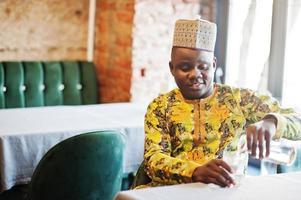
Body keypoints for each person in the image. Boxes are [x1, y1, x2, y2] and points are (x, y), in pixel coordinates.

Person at [139, 18, 301, 188]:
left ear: (214, 65)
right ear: (172, 68)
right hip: (170, 191)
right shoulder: (160, 106)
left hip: (227, 191)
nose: (195, 74)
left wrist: (272, 122)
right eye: (185, 67)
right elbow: (153, 159)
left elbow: (298, 119)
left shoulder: (239, 100)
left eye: (203, 66)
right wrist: (194, 171)